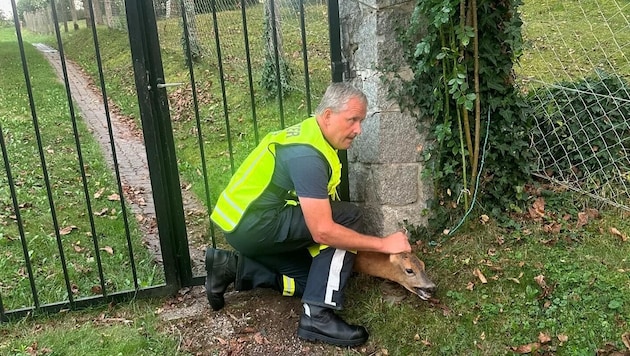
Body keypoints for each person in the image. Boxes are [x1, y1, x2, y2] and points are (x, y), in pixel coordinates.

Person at [206, 82, 411, 347]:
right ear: (328, 116)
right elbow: (323, 230)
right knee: (346, 216)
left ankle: (231, 267)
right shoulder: (307, 156)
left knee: (311, 282)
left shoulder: (310, 136)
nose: (358, 129)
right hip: (254, 225)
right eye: (352, 120)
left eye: (360, 121)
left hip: (246, 225)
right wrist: (384, 244)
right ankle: (317, 316)